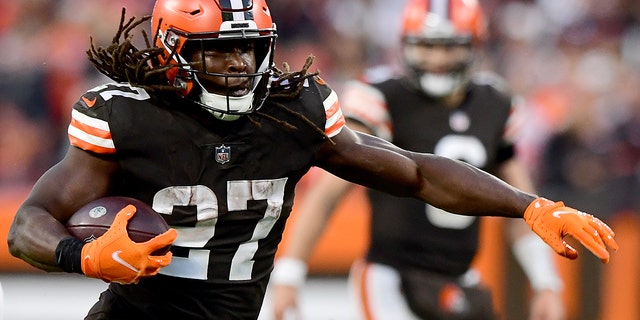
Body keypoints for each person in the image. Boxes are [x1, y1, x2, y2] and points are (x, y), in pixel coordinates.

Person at [6, 1, 617, 319]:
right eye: (219, 53)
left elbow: (415, 171)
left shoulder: (292, 112)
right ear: (173, 54)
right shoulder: (127, 116)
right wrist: (78, 254)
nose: (239, 67)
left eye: (249, 51)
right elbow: (28, 224)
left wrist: (528, 204)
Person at [270, 1, 567, 319]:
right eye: (426, 46)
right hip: (391, 276)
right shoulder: (383, 97)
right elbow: (328, 194)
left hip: (461, 277)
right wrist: (289, 274)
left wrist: (546, 282)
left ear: (474, 46)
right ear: (406, 45)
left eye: (449, 47)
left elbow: (521, 203)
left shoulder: (495, 103)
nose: (437, 59)